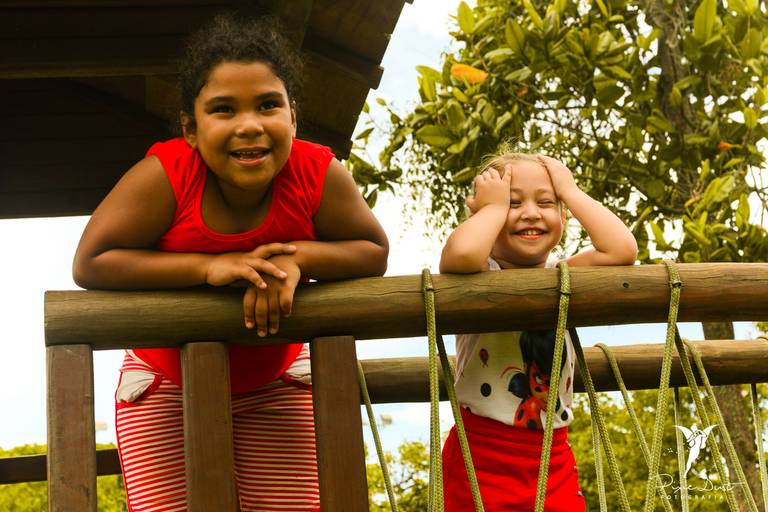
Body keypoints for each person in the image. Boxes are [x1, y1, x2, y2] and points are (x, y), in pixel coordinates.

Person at [72, 14, 388, 511]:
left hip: (280, 380)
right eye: (223, 109)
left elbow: (373, 251)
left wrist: (295, 259)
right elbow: (91, 262)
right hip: (165, 386)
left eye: (268, 105)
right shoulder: (167, 174)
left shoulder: (315, 171)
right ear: (191, 129)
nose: (249, 125)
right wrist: (208, 267)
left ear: (293, 116)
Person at [439, 151, 637, 511]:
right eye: (513, 203)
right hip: (480, 453)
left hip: (552, 455)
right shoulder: (478, 273)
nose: (530, 212)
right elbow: (461, 253)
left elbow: (622, 249)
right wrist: (493, 210)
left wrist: (571, 192)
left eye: (546, 202)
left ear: (561, 217)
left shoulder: (565, 277)